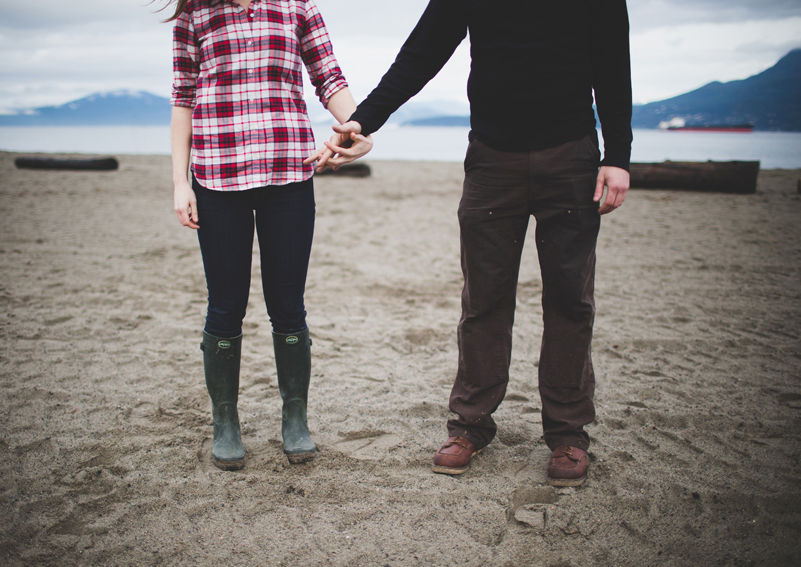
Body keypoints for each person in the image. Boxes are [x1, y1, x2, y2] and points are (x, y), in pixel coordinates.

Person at [311, 0, 632, 486]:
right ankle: (470, 426)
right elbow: (421, 53)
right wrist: (364, 120)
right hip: (491, 158)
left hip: (571, 157)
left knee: (570, 298)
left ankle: (568, 434)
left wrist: (619, 156)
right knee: (484, 298)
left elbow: (613, 65)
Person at [166, 0, 371, 470]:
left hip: (290, 174)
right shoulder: (195, 13)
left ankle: (294, 419)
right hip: (218, 178)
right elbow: (183, 99)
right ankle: (225, 422)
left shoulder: (297, 7)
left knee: (288, 304)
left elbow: (330, 79)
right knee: (225, 305)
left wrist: (361, 128)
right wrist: (181, 183)